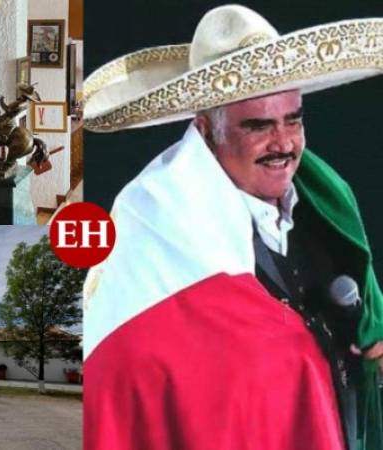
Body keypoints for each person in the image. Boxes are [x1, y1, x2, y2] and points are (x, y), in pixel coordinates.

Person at [83, 5, 383, 450]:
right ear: (206, 132)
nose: (283, 143)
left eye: (293, 119)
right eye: (258, 126)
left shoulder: (327, 204)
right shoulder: (152, 232)